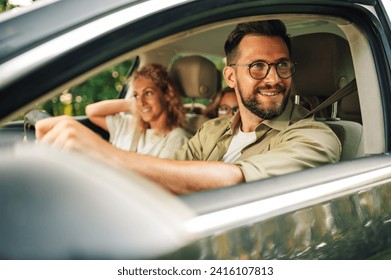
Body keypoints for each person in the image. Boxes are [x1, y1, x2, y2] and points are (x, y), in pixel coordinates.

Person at [35, 20, 341, 194]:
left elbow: (235, 180)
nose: (273, 78)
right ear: (231, 76)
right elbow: (166, 172)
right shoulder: (212, 130)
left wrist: (106, 155)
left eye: (282, 65)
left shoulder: (316, 138)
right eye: (258, 66)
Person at [86, 64, 190, 158]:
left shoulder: (177, 139)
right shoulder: (128, 125)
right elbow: (92, 112)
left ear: (167, 94)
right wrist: (133, 103)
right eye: (136, 95)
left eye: (148, 93)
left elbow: (158, 176)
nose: (141, 102)